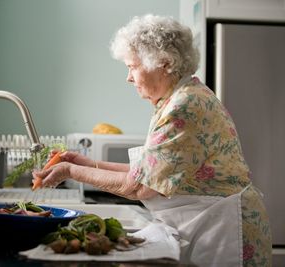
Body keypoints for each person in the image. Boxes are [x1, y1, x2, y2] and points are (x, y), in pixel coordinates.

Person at [33, 14, 272, 267]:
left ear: (164, 63)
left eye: (132, 67)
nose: (128, 77)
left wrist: (70, 170)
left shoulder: (185, 106)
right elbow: (148, 173)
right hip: (209, 223)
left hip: (225, 231)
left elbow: (139, 187)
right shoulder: (177, 99)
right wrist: (87, 163)